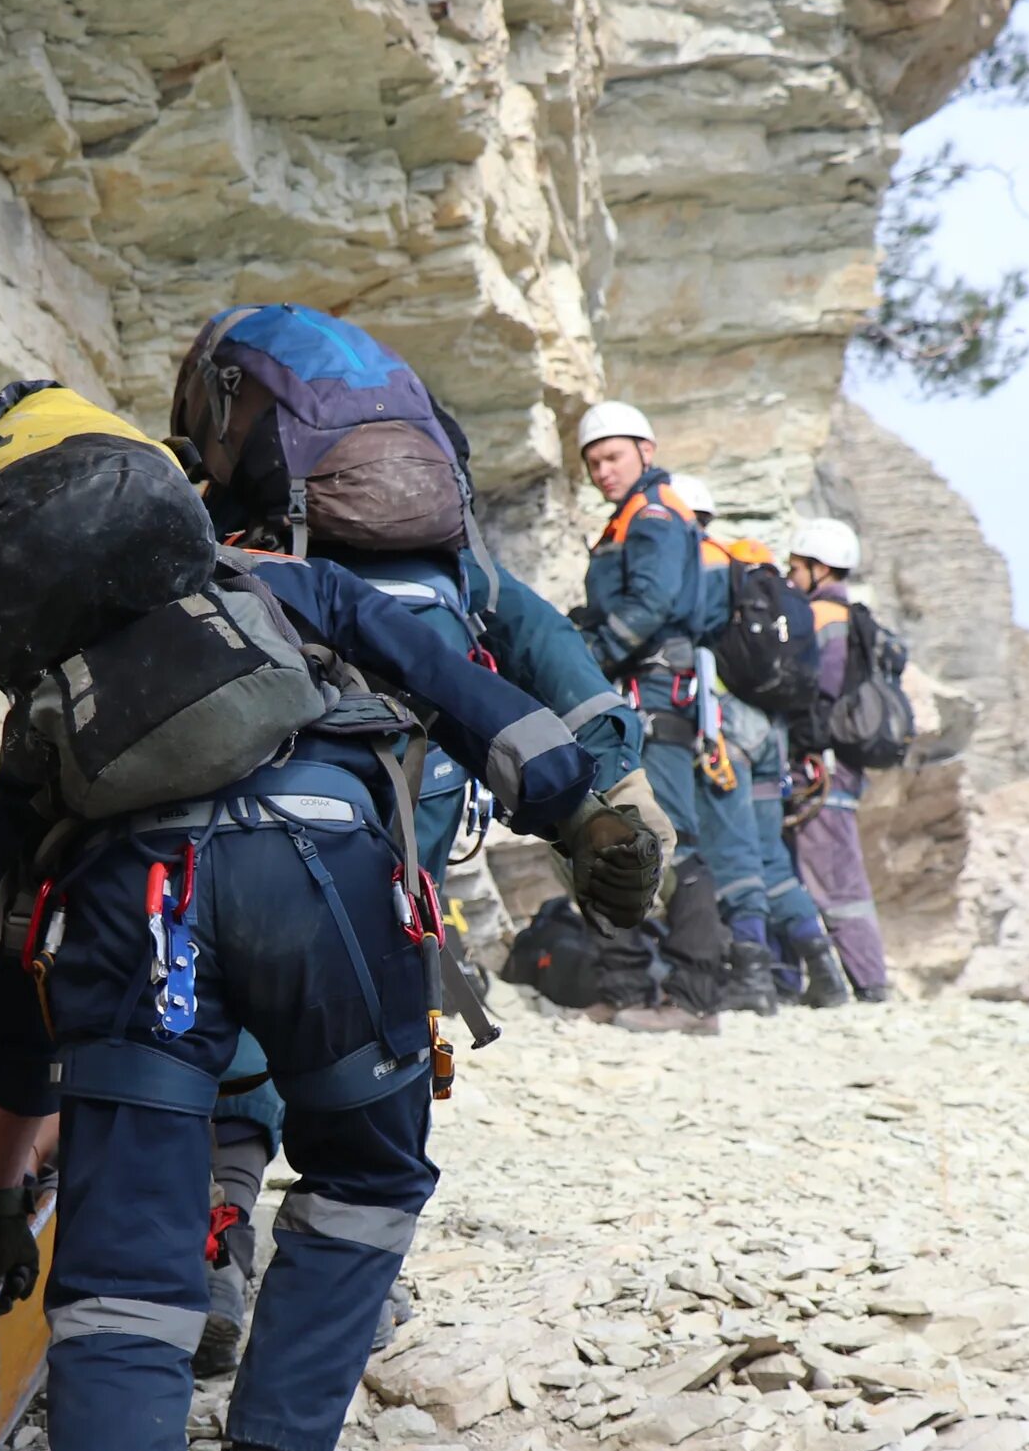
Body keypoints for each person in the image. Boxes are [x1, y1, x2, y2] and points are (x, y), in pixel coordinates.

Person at [0, 387, 652, 1451]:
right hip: (324, 883)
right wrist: (581, 810)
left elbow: (9, 974)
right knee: (366, 1179)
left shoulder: (50, 716)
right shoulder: (286, 590)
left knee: (123, 1264)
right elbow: (460, 687)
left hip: (132, 916)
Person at [171, 306, 664, 1374]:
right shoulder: (449, 564)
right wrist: (610, 781)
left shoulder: (229, 531)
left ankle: (215, 1236)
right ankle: (355, 1287)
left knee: (233, 993)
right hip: (407, 800)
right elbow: (540, 641)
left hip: (251, 789)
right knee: (380, 1015)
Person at [572, 406, 777, 1027]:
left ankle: (694, 999)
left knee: (673, 833)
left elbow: (652, 603)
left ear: (645, 449)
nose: (603, 470)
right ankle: (629, 986)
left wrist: (590, 657)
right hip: (642, 686)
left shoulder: (656, 512)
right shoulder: (631, 515)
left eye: (613, 457)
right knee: (617, 824)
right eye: (593, 462)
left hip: (655, 689)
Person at [665, 473, 852, 1010]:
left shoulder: (699, 564)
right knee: (770, 854)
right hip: (773, 730)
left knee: (733, 852)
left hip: (728, 728)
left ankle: (752, 975)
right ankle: (822, 967)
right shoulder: (753, 564)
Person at [785, 518, 893, 1002]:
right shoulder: (855, 619)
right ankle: (848, 979)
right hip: (841, 766)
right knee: (832, 871)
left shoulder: (821, 620)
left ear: (819, 567)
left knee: (835, 877)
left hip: (821, 767)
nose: (791, 578)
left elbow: (814, 693)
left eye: (796, 568)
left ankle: (868, 983)